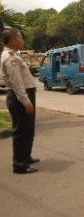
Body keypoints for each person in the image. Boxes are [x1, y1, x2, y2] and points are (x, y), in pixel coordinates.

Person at [1, 28, 39, 174]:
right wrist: (26, 102)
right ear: (12, 40)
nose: (22, 39)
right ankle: (19, 164)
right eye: (20, 37)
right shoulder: (10, 58)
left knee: (28, 129)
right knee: (21, 131)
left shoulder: (15, 55)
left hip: (24, 95)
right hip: (19, 97)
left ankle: (26, 157)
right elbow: (17, 84)